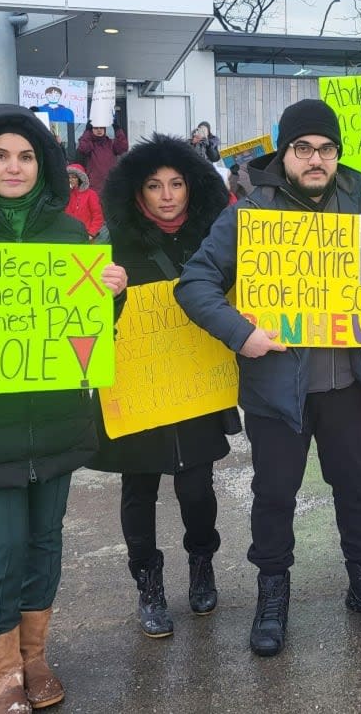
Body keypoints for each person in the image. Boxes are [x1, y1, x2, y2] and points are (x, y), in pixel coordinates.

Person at [177, 98, 361, 657]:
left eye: (325, 149)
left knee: (357, 488)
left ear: (337, 155)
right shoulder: (248, 215)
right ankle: (272, 595)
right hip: (276, 388)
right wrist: (241, 333)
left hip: (349, 386)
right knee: (275, 494)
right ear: (284, 154)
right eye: (302, 148)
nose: (315, 159)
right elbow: (195, 285)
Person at [0, 104, 127, 714]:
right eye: (0, 154)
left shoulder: (69, 234)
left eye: (27, 156)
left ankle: (35, 658)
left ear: (43, 166)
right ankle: (0, 674)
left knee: (44, 542)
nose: (14, 167)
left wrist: (110, 298)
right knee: (2, 547)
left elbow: (87, 335)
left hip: (58, 418)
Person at [93, 134, 237, 639]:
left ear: (192, 187)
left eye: (176, 183)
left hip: (198, 387)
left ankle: (202, 564)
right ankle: (148, 584)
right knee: (139, 490)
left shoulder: (215, 239)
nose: (167, 194)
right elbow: (83, 323)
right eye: (155, 185)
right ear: (138, 192)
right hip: (137, 391)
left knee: (197, 488)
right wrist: (104, 296)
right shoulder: (110, 245)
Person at [76, 120, 128, 198]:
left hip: (110, 187)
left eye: (101, 128)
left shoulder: (111, 144)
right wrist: (87, 131)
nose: (99, 130)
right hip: (94, 188)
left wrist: (117, 129)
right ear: (91, 130)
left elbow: (123, 147)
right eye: (96, 128)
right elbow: (83, 148)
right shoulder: (89, 145)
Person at [65, 163, 104, 239]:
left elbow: (98, 216)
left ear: (80, 179)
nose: (70, 180)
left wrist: (91, 234)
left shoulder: (91, 194)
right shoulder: (66, 194)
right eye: (68, 177)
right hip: (68, 235)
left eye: (74, 177)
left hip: (85, 236)